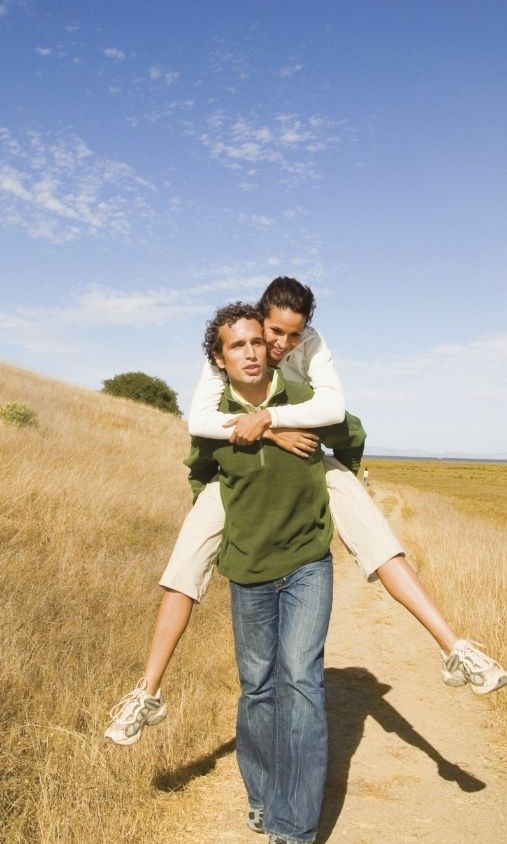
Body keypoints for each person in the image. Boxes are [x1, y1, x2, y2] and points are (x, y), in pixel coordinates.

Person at [105, 278, 507, 749]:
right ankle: (147, 693)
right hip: (237, 470)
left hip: (310, 458)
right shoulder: (234, 343)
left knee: (376, 538)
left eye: (291, 335)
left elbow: (334, 406)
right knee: (186, 564)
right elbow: (200, 421)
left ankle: (455, 649)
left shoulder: (311, 346)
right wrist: (270, 432)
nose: (278, 345)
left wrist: (273, 418)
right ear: (258, 320)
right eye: (273, 332)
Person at [195, 302, 348, 843]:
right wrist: (262, 432)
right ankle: (261, 799)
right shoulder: (213, 419)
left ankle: (294, 826)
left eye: (257, 341)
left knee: (302, 682)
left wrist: (280, 422)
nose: (253, 352)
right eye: (237, 346)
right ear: (220, 359)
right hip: (249, 572)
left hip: (308, 564)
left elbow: (345, 424)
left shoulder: (302, 396)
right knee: (257, 689)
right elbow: (199, 474)